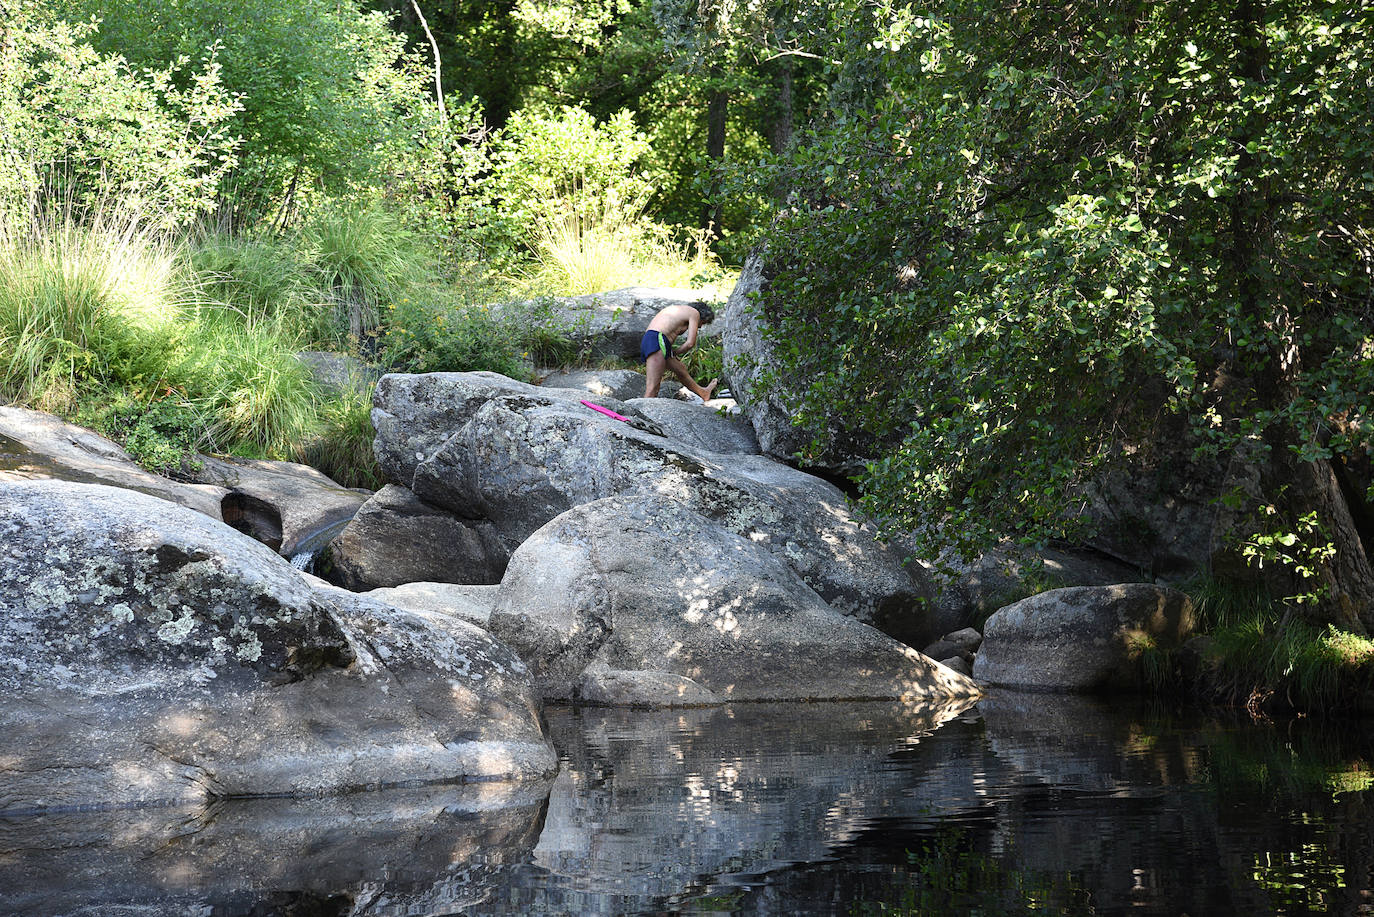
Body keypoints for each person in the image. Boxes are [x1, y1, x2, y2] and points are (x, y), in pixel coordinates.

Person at [639, 301, 719, 400]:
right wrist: (675, 352)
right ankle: (642, 413)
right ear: (702, 315)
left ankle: (703, 393)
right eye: (702, 323)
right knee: (653, 388)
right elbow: (690, 343)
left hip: (654, 340)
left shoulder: (678, 310)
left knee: (680, 369)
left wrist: (671, 352)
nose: (700, 326)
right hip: (656, 340)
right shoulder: (694, 313)